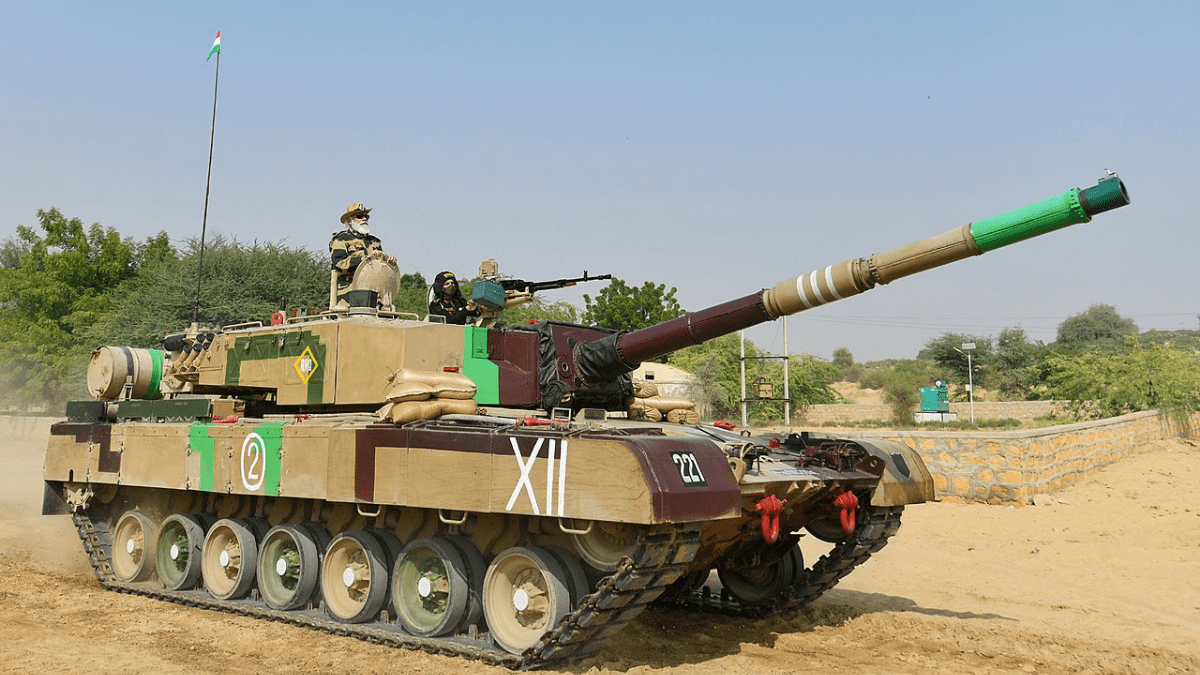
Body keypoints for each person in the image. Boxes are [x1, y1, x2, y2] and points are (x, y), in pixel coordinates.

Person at [329, 202, 395, 304]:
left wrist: (389, 262)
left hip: (374, 295)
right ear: (349, 221)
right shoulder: (341, 240)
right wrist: (364, 259)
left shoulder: (374, 242)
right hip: (348, 296)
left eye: (366, 216)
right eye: (359, 216)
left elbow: (380, 268)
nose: (364, 219)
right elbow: (339, 264)